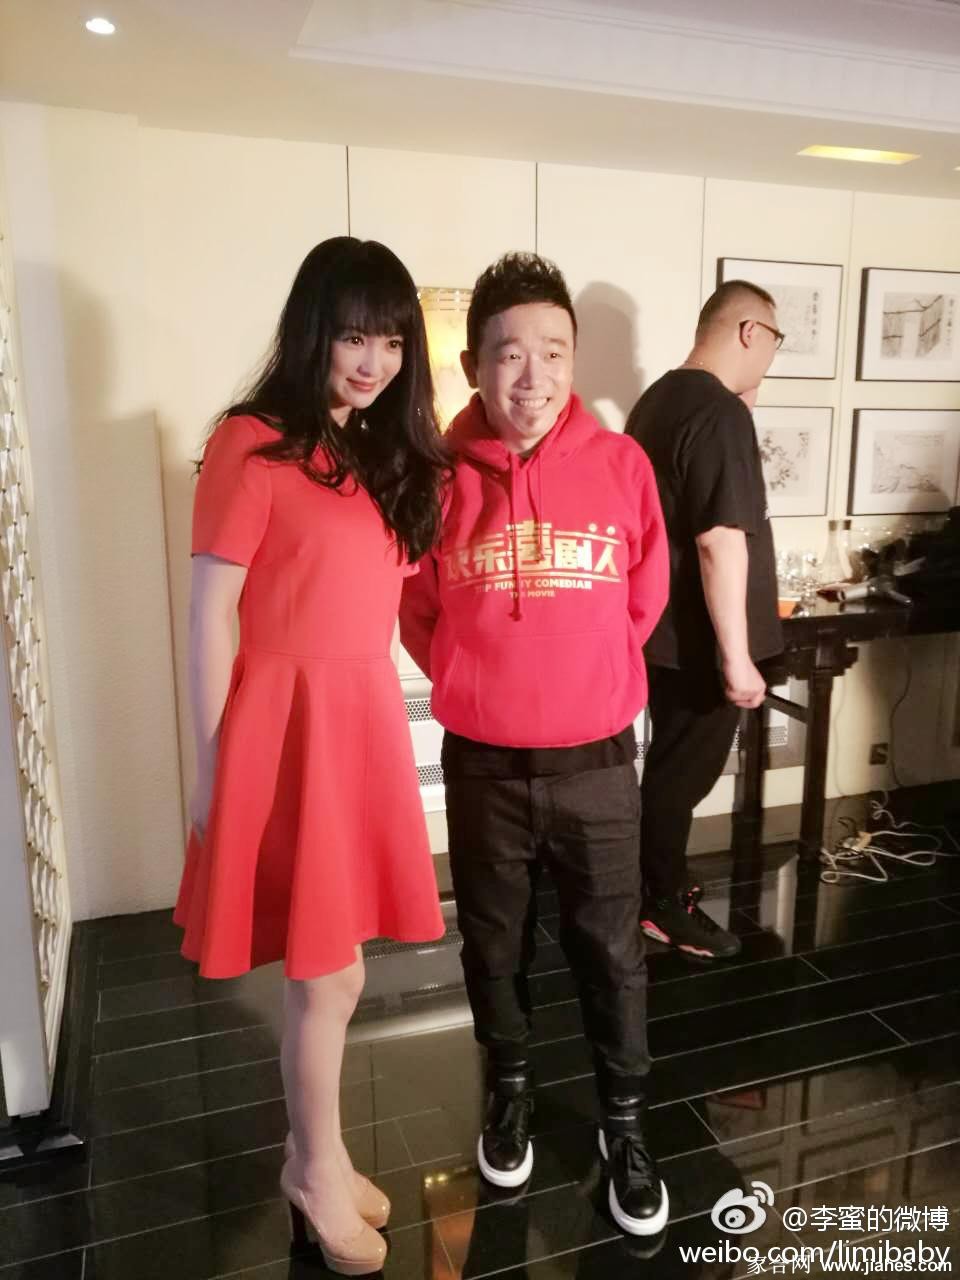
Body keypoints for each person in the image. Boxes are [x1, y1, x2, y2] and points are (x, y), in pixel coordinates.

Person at [174, 237, 448, 1276]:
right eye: (353, 335)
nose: (373, 360)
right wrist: (211, 769)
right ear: (313, 331)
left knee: (338, 967)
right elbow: (210, 616)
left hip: (357, 719)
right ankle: (317, 1168)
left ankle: (311, 1155)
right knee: (327, 971)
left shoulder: (374, 452)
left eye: (392, 341)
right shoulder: (252, 444)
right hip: (284, 726)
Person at [400, 253, 670, 1237]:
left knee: (613, 951)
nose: (533, 375)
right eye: (509, 354)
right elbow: (419, 611)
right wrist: (484, 678)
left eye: (553, 351)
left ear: (573, 359)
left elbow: (643, 597)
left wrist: (583, 674)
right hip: (483, 766)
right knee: (493, 941)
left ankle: (625, 1124)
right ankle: (507, 1092)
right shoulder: (435, 477)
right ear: (474, 365)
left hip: (598, 763)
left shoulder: (623, 465)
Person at [624, 280, 784, 960]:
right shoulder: (716, 413)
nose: (773, 355)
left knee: (668, 765)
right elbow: (719, 540)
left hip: (661, 631)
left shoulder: (658, 400)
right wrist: (737, 657)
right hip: (700, 641)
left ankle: (651, 890)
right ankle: (659, 905)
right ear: (749, 331)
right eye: (774, 340)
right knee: (679, 777)